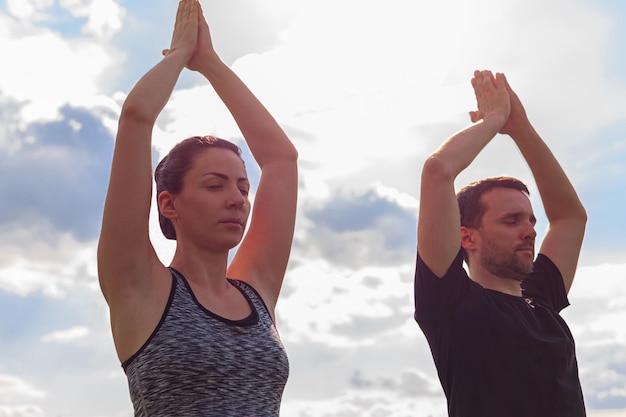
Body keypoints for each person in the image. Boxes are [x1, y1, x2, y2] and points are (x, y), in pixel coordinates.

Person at [97, 1, 298, 416]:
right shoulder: (139, 285)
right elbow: (136, 117)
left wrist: (212, 63)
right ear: (168, 203)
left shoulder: (255, 289)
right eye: (214, 185)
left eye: (243, 187)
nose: (237, 199)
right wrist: (182, 53)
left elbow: (281, 160)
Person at [414, 70, 587, 417]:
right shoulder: (450, 302)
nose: (530, 231)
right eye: (512, 221)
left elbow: (570, 217)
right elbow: (438, 171)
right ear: (467, 236)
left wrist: (520, 127)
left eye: (530, 220)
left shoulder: (542, 297)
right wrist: (494, 120)